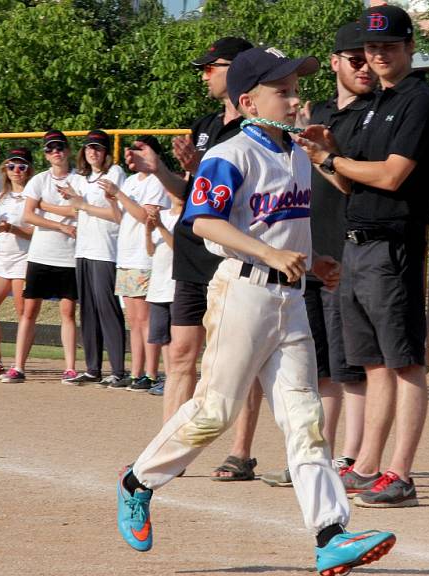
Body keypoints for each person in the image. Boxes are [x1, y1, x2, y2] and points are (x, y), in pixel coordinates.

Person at [116, 46, 395, 576]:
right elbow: (201, 221)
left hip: (290, 299)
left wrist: (316, 263)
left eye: (295, 88)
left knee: (305, 419)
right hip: (241, 293)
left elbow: (287, 228)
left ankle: (331, 536)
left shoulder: (294, 152)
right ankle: (138, 481)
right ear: (248, 101)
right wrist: (268, 254)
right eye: (282, 90)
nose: (295, 99)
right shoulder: (231, 153)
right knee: (214, 412)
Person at [297, 5, 429, 508]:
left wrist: (337, 158)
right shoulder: (371, 104)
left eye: (388, 45)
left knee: (404, 363)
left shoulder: (419, 101)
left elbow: (390, 176)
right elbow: (345, 181)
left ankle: (401, 473)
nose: (378, 54)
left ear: (409, 48)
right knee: (374, 365)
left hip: (394, 245)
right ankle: (366, 467)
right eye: (371, 46)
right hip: (356, 244)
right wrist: (322, 156)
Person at [124, 37, 262, 481]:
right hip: (191, 250)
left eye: (211, 67)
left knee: (243, 358)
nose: (204, 74)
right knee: (181, 352)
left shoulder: (258, 126)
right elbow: (192, 195)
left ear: (237, 69)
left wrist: (203, 162)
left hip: (233, 252)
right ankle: (170, 452)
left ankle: (240, 453)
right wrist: (159, 169)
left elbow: (249, 193)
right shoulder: (204, 124)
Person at [260, 21, 374, 487]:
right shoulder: (317, 112)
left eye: (370, 57)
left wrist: (322, 153)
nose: (365, 66)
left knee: (352, 367)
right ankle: (316, 456)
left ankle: (350, 457)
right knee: (318, 366)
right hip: (308, 255)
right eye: (355, 58)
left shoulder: (371, 116)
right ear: (335, 62)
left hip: (344, 253)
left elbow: (352, 183)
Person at [2, 130, 78, 384]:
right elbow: (28, 216)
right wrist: (60, 224)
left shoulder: (78, 179)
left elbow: (77, 210)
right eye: (50, 149)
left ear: (67, 150)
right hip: (42, 254)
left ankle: (69, 367)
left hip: (69, 255)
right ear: (45, 155)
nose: (55, 152)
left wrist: (44, 206)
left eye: (59, 147)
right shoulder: (40, 181)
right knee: (29, 311)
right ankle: (18, 366)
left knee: (67, 312)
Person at [102, 136, 169, 391]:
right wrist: (112, 200)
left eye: (141, 149)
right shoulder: (131, 181)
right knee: (133, 320)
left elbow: (145, 217)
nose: (134, 153)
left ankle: (151, 373)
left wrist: (118, 193)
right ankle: (137, 371)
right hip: (126, 255)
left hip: (144, 255)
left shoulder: (156, 181)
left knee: (145, 319)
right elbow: (122, 219)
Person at [60, 129, 127, 387]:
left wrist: (82, 204)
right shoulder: (80, 178)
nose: (92, 152)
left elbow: (116, 214)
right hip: (83, 249)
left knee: (106, 308)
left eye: (98, 148)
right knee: (87, 310)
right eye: (89, 147)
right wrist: (70, 198)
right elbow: (73, 207)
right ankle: (92, 368)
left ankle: (118, 370)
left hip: (105, 250)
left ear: (106, 152)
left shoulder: (114, 174)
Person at [0, 148, 34, 380]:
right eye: (11, 166)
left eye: (21, 166)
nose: (16, 171)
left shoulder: (33, 194)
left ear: (29, 169)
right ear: (5, 170)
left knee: (24, 313)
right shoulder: (1, 197)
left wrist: (10, 228)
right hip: (1, 259)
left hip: (24, 260)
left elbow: (33, 232)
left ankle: (19, 364)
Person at [142, 187, 183, 395]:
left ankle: (178, 378)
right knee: (163, 338)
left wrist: (160, 227)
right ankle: (169, 377)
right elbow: (150, 251)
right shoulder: (163, 215)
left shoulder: (187, 218)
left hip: (177, 286)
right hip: (158, 287)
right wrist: (149, 231)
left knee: (178, 337)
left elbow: (179, 249)